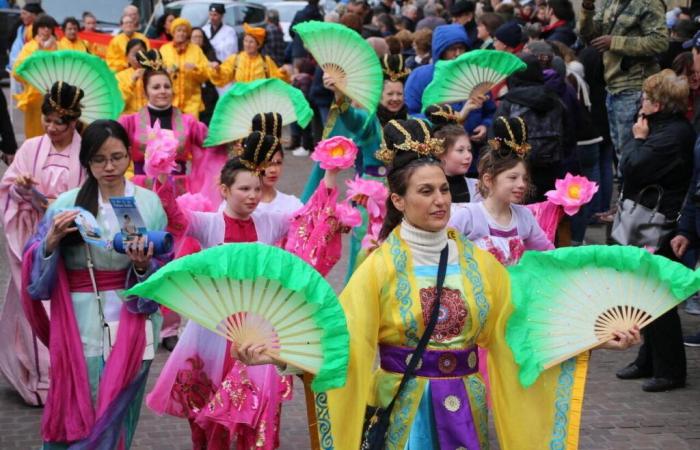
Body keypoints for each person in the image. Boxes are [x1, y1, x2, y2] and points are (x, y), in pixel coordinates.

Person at [246, 117, 639, 450]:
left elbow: (520, 326)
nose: (440, 201)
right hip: (405, 412)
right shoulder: (378, 267)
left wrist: (593, 338)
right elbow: (342, 336)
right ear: (398, 201)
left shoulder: (479, 265)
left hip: (468, 407)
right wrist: (281, 355)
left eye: (443, 190)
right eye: (425, 191)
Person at [147, 130, 344, 450]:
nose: (252, 196)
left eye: (256, 188)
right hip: (213, 329)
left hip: (257, 329)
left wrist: (331, 174)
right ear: (224, 189)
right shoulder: (208, 223)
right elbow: (173, 214)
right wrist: (162, 173)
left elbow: (309, 217)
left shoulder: (268, 221)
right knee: (207, 407)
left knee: (257, 410)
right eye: (243, 189)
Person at [21, 119, 166, 449]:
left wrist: (144, 266)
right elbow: (36, 278)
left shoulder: (147, 203)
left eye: (116, 157)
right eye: (99, 159)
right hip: (79, 319)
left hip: (131, 318)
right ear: (86, 162)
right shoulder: (66, 204)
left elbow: (162, 271)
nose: (109, 166)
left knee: (118, 408)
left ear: (130, 155)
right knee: (79, 396)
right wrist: (50, 242)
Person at [0, 81, 86, 407]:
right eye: (47, 120)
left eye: (58, 122)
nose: (51, 128)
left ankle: (69, 378)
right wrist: (22, 188)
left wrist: (64, 208)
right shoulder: (31, 147)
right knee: (34, 306)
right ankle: (41, 380)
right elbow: (9, 188)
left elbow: (93, 196)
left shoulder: (86, 151)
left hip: (73, 241)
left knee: (69, 312)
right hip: (35, 240)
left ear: (73, 122)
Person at [615, 69, 695, 392]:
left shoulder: (670, 135)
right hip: (655, 219)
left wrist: (636, 139)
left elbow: (631, 168)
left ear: (659, 104)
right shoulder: (665, 129)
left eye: (646, 98)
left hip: (660, 223)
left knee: (658, 297)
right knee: (645, 294)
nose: (642, 102)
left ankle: (670, 369)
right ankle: (649, 359)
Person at [579, 0, 667, 178]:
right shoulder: (610, 2)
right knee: (621, 155)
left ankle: (631, 200)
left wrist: (615, 42)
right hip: (613, 86)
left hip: (635, 86)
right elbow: (588, 36)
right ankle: (625, 200)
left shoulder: (648, 3)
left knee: (630, 155)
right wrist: (587, 9)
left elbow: (660, 42)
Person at [450, 116, 553, 264]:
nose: (522, 184)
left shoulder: (524, 216)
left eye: (524, 178)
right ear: (488, 180)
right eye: (513, 178)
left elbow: (548, 253)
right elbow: (444, 254)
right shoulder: (468, 217)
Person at [495, 53, 568, 201]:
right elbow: (569, 135)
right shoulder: (554, 99)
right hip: (553, 168)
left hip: (517, 172)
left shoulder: (508, 102)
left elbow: (496, 135)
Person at [13, 14, 60, 139]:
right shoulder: (29, 47)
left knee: (55, 132)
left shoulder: (59, 47)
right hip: (34, 98)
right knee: (34, 135)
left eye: (49, 27)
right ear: (37, 29)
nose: (46, 30)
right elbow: (17, 71)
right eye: (42, 27)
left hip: (55, 96)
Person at [426, 105, 479, 209]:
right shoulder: (428, 189)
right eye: (460, 150)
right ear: (440, 153)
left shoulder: (477, 187)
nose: (468, 156)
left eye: (469, 149)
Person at [159, 18, 211, 119]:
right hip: (170, 101)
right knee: (170, 132)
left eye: (184, 31)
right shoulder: (164, 50)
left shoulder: (196, 50)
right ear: (173, 32)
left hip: (192, 102)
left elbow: (207, 73)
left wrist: (195, 68)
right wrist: (166, 72)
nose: (181, 34)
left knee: (190, 132)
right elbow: (156, 72)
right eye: (179, 30)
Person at [210, 23, 289, 86]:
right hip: (239, 101)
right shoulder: (235, 59)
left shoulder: (266, 61)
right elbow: (223, 76)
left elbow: (277, 80)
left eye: (251, 42)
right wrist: (217, 70)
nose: (247, 45)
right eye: (245, 41)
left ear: (258, 45)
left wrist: (283, 72)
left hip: (258, 102)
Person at [190, 27, 220, 125]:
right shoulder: (185, 55)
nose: (197, 39)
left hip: (208, 95)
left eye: (200, 37)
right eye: (194, 37)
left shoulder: (209, 54)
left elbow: (216, 69)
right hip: (191, 95)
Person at [116, 38, 149, 115]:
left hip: (149, 119)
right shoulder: (119, 76)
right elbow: (119, 101)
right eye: (135, 55)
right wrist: (132, 81)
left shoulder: (152, 74)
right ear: (127, 57)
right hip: (128, 119)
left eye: (142, 54)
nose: (138, 59)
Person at [8, 2, 42, 71]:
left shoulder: (39, 30)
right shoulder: (21, 28)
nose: (21, 16)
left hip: (27, 67)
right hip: (15, 66)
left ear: (34, 15)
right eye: (21, 13)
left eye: (24, 13)